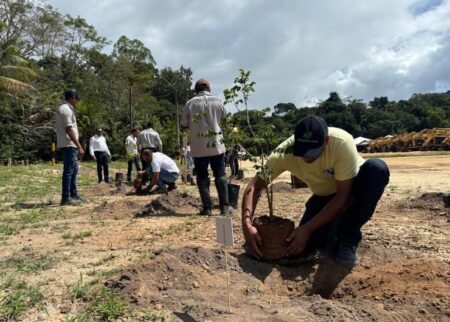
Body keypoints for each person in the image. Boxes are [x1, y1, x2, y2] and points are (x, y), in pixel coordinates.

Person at [241, 115, 390, 266]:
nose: (307, 157)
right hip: (323, 196)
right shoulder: (285, 152)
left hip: (354, 189)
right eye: (303, 151)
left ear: (326, 141)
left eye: (313, 151)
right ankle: (332, 233)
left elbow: (342, 197)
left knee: (377, 169)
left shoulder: (341, 143)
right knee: (304, 247)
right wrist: (246, 224)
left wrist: (307, 228)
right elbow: (255, 186)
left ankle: (348, 239)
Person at [180, 79, 233, 216]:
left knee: (202, 177)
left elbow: (183, 124)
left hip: (198, 147)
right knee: (220, 175)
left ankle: (207, 208)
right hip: (216, 145)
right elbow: (225, 121)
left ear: (196, 90)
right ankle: (225, 208)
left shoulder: (190, 103)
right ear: (209, 89)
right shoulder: (218, 102)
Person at [55, 88, 85, 206]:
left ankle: (73, 194)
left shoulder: (64, 108)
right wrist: (79, 146)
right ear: (73, 99)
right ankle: (66, 197)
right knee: (69, 171)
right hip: (69, 144)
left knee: (74, 169)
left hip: (69, 144)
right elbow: (69, 130)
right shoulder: (66, 110)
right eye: (76, 100)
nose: (77, 102)